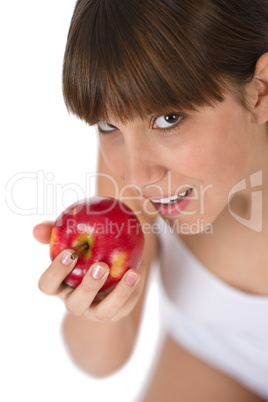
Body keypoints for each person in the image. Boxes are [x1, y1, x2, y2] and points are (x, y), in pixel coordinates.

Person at [33, 0, 268, 400]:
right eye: (108, 125)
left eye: (169, 119)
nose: (137, 177)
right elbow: (99, 361)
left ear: (260, 91)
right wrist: (98, 303)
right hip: (216, 356)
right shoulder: (133, 160)